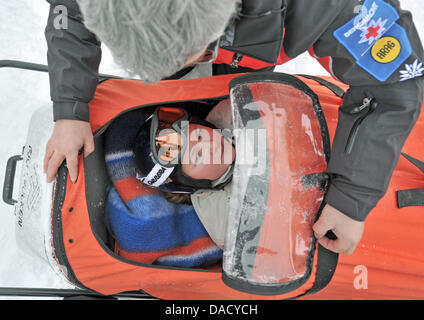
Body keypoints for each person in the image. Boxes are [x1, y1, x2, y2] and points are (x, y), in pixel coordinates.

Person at [43, 0, 424, 255]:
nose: (196, 143)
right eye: (179, 151)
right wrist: (70, 107)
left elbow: (396, 81)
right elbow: (72, 9)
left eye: (193, 54)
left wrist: (352, 197)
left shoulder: (326, 6)